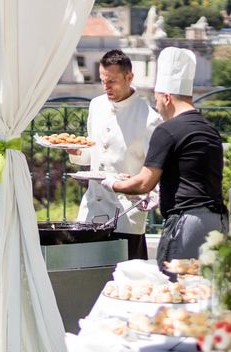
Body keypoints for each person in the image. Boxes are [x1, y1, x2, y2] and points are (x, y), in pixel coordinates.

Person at [101, 47, 227, 266]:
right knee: (206, 291)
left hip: (186, 224)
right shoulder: (210, 130)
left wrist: (111, 183)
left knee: (175, 287)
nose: (157, 106)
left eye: (157, 99)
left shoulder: (167, 130)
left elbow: (143, 183)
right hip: (219, 222)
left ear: (167, 97)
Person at [68, 49, 162, 259]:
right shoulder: (96, 106)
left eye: (112, 81)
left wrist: (153, 195)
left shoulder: (150, 119)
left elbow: (155, 169)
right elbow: (92, 153)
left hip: (127, 215)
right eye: (103, 80)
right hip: (92, 209)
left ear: (129, 77)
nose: (106, 87)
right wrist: (75, 152)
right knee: (88, 274)